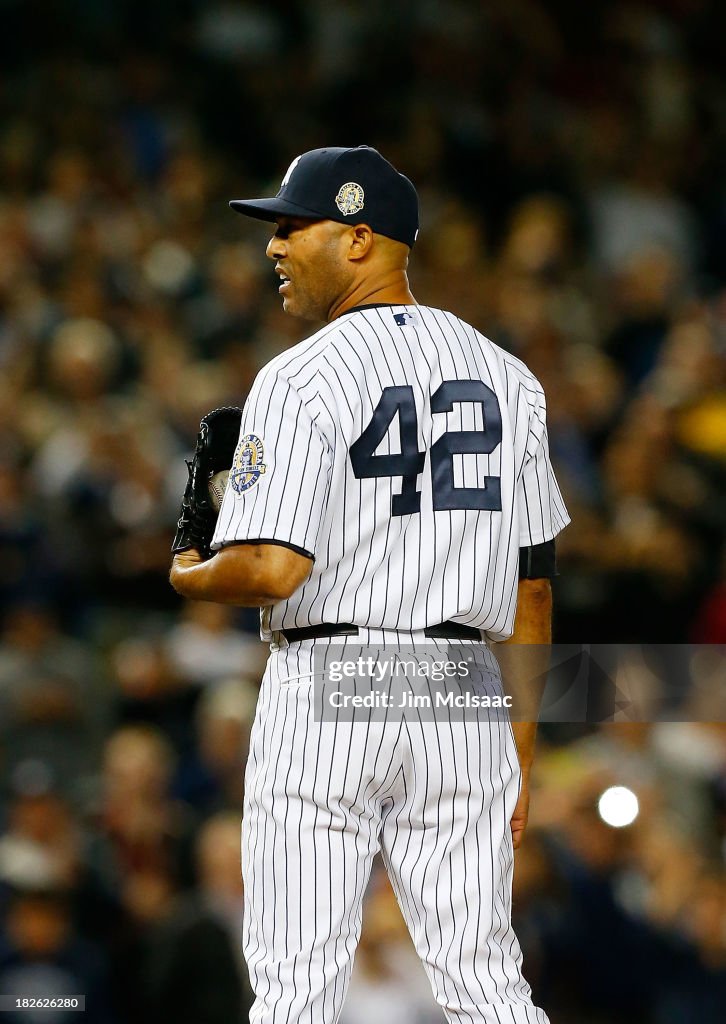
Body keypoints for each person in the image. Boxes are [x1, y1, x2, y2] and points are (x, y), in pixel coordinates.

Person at [170, 145, 569, 1024]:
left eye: (290, 227)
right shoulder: (512, 379)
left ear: (360, 238)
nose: (272, 247)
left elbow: (272, 569)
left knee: (296, 985)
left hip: (331, 677)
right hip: (464, 692)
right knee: (487, 982)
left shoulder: (299, 375)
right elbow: (533, 590)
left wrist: (190, 574)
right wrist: (523, 750)